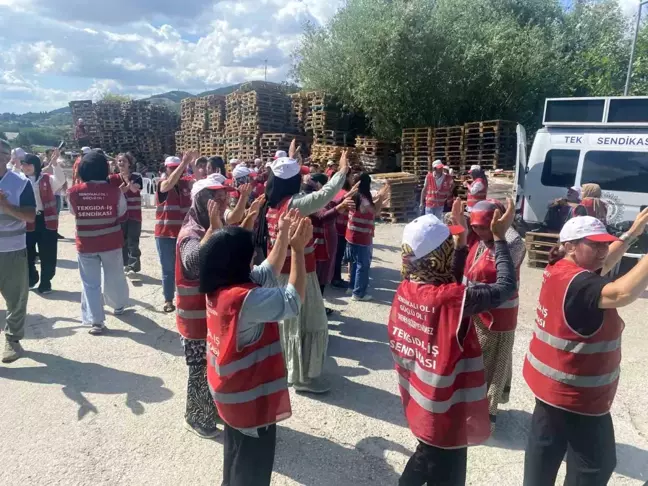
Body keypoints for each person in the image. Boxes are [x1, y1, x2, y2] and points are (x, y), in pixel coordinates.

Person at [391, 198, 517, 486]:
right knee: (444, 465)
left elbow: (447, 280)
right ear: (441, 254)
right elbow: (505, 288)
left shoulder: (408, 287)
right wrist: (500, 239)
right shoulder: (452, 299)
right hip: (446, 406)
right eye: (449, 246)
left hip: (422, 396)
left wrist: (460, 246)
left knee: (427, 453)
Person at [523, 211, 648, 486]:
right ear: (570, 246)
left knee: (544, 452)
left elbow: (603, 261)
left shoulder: (559, 269)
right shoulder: (583, 285)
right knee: (594, 466)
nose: (603, 250)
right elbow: (622, 293)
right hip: (579, 399)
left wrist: (631, 234)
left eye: (605, 243)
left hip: (548, 389)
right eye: (596, 244)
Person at [199, 211, 310, 486]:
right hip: (249, 400)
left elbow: (268, 271)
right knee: (253, 471)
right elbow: (293, 300)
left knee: (236, 456)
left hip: (229, 393)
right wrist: (298, 251)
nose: (255, 259)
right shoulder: (244, 301)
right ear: (239, 262)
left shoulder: (220, 287)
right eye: (251, 255)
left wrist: (283, 235)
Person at [256, 141, 350, 394]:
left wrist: (291, 156)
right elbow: (324, 195)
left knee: (287, 323)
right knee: (309, 321)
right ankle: (302, 378)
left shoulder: (270, 200)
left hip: (279, 271)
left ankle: (289, 369)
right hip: (300, 271)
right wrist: (341, 173)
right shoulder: (295, 203)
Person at [174, 175, 245, 439]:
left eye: (223, 197)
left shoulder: (211, 224)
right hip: (194, 319)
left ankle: (211, 409)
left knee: (212, 367)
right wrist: (214, 228)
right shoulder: (190, 232)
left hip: (209, 315)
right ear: (200, 201)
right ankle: (195, 417)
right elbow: (193, 262)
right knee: (198, 370)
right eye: (214, 197)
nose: (221, 201)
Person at [463, 199, 526, 427]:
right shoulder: (479, 238)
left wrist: (499, 236)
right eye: (474, 226)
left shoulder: (513, 243)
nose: (476, 231)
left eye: (481, 227)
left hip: (498, 317)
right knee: (475, 361)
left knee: (492, 365)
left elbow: (505, 277)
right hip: (476, 312)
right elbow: (459, 246)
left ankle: (487, 413)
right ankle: (472, 405)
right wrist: (458, 224)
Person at [67, 150, 129, 335]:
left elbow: (72, 212)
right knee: (115, 275)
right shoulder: (114, 192)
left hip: (86, 245)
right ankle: (118, 306)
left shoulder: (73, 192)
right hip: (111, 243)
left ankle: (96, 321)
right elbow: (122, 214)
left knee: (90, 283)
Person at [0, 138, 36, 363]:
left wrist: (5, 206)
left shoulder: (20, 183)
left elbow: (30, 216)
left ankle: (12, 340)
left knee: (16, 299)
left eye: (3, 155)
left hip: (12, 251)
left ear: (7, 159)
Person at [156, 154, 196, 313]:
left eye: (177, 168)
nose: (175, 171)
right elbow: (168, 184)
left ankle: (184, 298)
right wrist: (184, 164)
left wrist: (194, 163)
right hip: (165, 234)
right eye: (171, 168)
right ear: (166, 168)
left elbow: (200, 180)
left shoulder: (187, 184)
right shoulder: (162, 183)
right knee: (168, 269)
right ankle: (168, 299)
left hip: (184, 234)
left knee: (187, 268)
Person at [21, 151, 65, 294]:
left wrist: (55, 165)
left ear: (36, 166)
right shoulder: (19, 180)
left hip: (45, 220)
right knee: (27, 252)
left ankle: (46, 282)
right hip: (27, 220)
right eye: (24, 165)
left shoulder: (47, 179)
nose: (26, 167)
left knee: (48, 252)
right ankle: (31, 277)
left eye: (29, 165)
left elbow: (61, 180)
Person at [345, 172, 388, 301]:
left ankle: (351, 287)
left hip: (351, 235)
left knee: (353, 263)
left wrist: (379, 197)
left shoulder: (353, 195)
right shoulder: (364, 198)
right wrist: (381, 197)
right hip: (362, 237)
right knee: (362, 265)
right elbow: (375, 211)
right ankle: (358, 293)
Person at [109, 153, 143, 275]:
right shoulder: (112, 178)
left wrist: (127, 179)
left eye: (124, 161)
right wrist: (120, 191)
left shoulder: (137, 176)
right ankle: (125, 265)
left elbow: (135, 189)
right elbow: (110, 195)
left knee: (133, 240)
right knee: (121, 241)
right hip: (119, 215)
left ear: (129, 163)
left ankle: (133, 266)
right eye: (119, 161)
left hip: (134, 215)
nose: (121, 164)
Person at [331, 170, 355, 288]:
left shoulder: (335, 192)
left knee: (334, 255)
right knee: (338, 255)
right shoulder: (347, 195)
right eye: (351, 177)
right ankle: (336, 279)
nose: (352, 179)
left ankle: (331, 277)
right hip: (341, 229)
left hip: (333, 227)